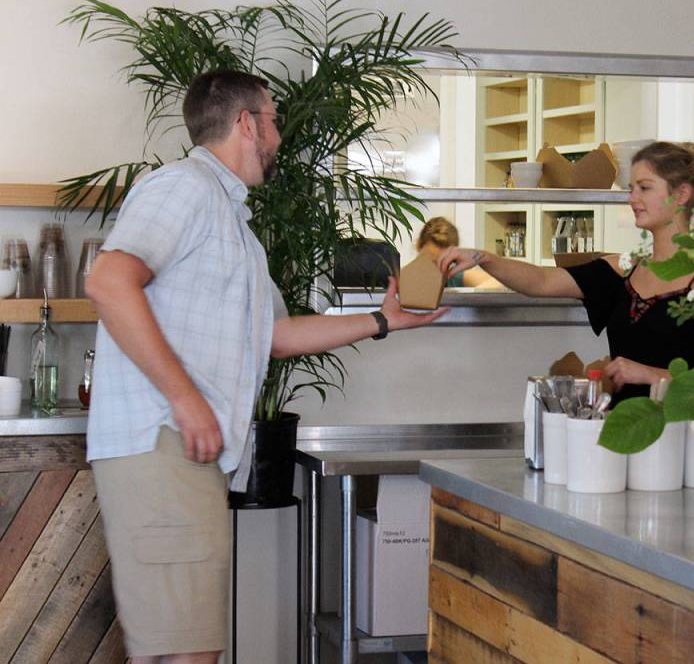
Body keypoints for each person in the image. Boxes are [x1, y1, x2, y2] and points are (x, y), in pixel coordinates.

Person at [84, 70, 446, 663]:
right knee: (187, 653)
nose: (279, 136)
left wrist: (383, 322)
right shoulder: (186, 188)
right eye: (274, 119)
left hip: (179, 451)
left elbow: (274, 336)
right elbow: (109, 281)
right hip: (163, 443)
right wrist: (186, 399)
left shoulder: (233, 224)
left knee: (177, 649)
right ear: (246, 123)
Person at [439, 141, 694, 403]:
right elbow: (541, 281)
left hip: (684, 443)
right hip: (621, 434)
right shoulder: (622, 270)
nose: (632, 198)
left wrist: (650, 375)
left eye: (644, 188)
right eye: (631, 188)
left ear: (682, 194)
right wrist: (484, 258)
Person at [415, 216, 502, 288]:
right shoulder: (405, 279)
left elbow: (498, 281)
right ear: (418, 246)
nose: (435, 270)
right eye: (429, 262)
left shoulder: (453, 277)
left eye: (443, 263)